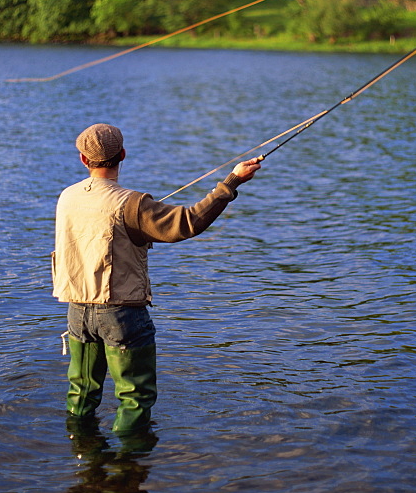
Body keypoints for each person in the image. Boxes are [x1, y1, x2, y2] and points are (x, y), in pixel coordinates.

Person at [52, 122, 261, 436]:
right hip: (122, 315)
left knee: (81, 393)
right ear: (122, 154)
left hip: (77, 312)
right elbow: (187, 223)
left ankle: (82, 456)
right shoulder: (132, 204)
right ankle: (128, 467)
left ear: (83, 159)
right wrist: (231, 183)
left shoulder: (66, 197)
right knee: (135, 399)